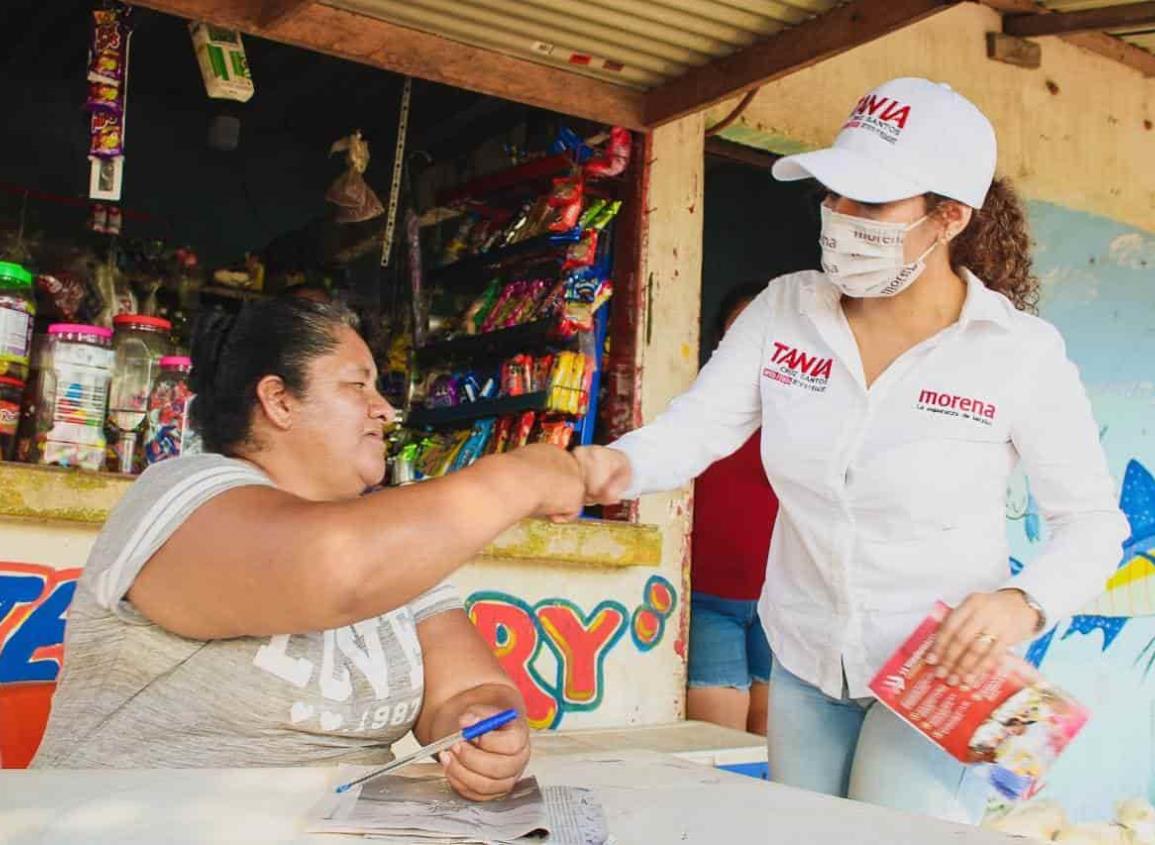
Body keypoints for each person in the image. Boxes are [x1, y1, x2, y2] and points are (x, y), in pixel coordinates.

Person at [573, 78, 1128, 823]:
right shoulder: (784, 311)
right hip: (802, 658)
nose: (838, 217)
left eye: (869, 202)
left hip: (939, 671)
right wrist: (607, 464)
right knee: (803, 833)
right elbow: (695, 428)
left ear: (948, 217)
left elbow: (1092, 523)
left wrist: (1022, 603)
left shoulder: (1016, 353)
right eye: (833, 195)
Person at [33, 298, 585, 804]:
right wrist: (519, 478)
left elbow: (467, 686)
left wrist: (480, 727)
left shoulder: (389, 536)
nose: (384, 411)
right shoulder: (181, 493)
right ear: (279, 400)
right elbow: (335, 570)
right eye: (358, 386)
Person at [687, 283, 777, 735]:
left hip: (781, 606)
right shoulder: (694, 409)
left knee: (773, 754)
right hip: (708, 602)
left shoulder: (811, 413)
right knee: (716, 752)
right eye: (736, 334)